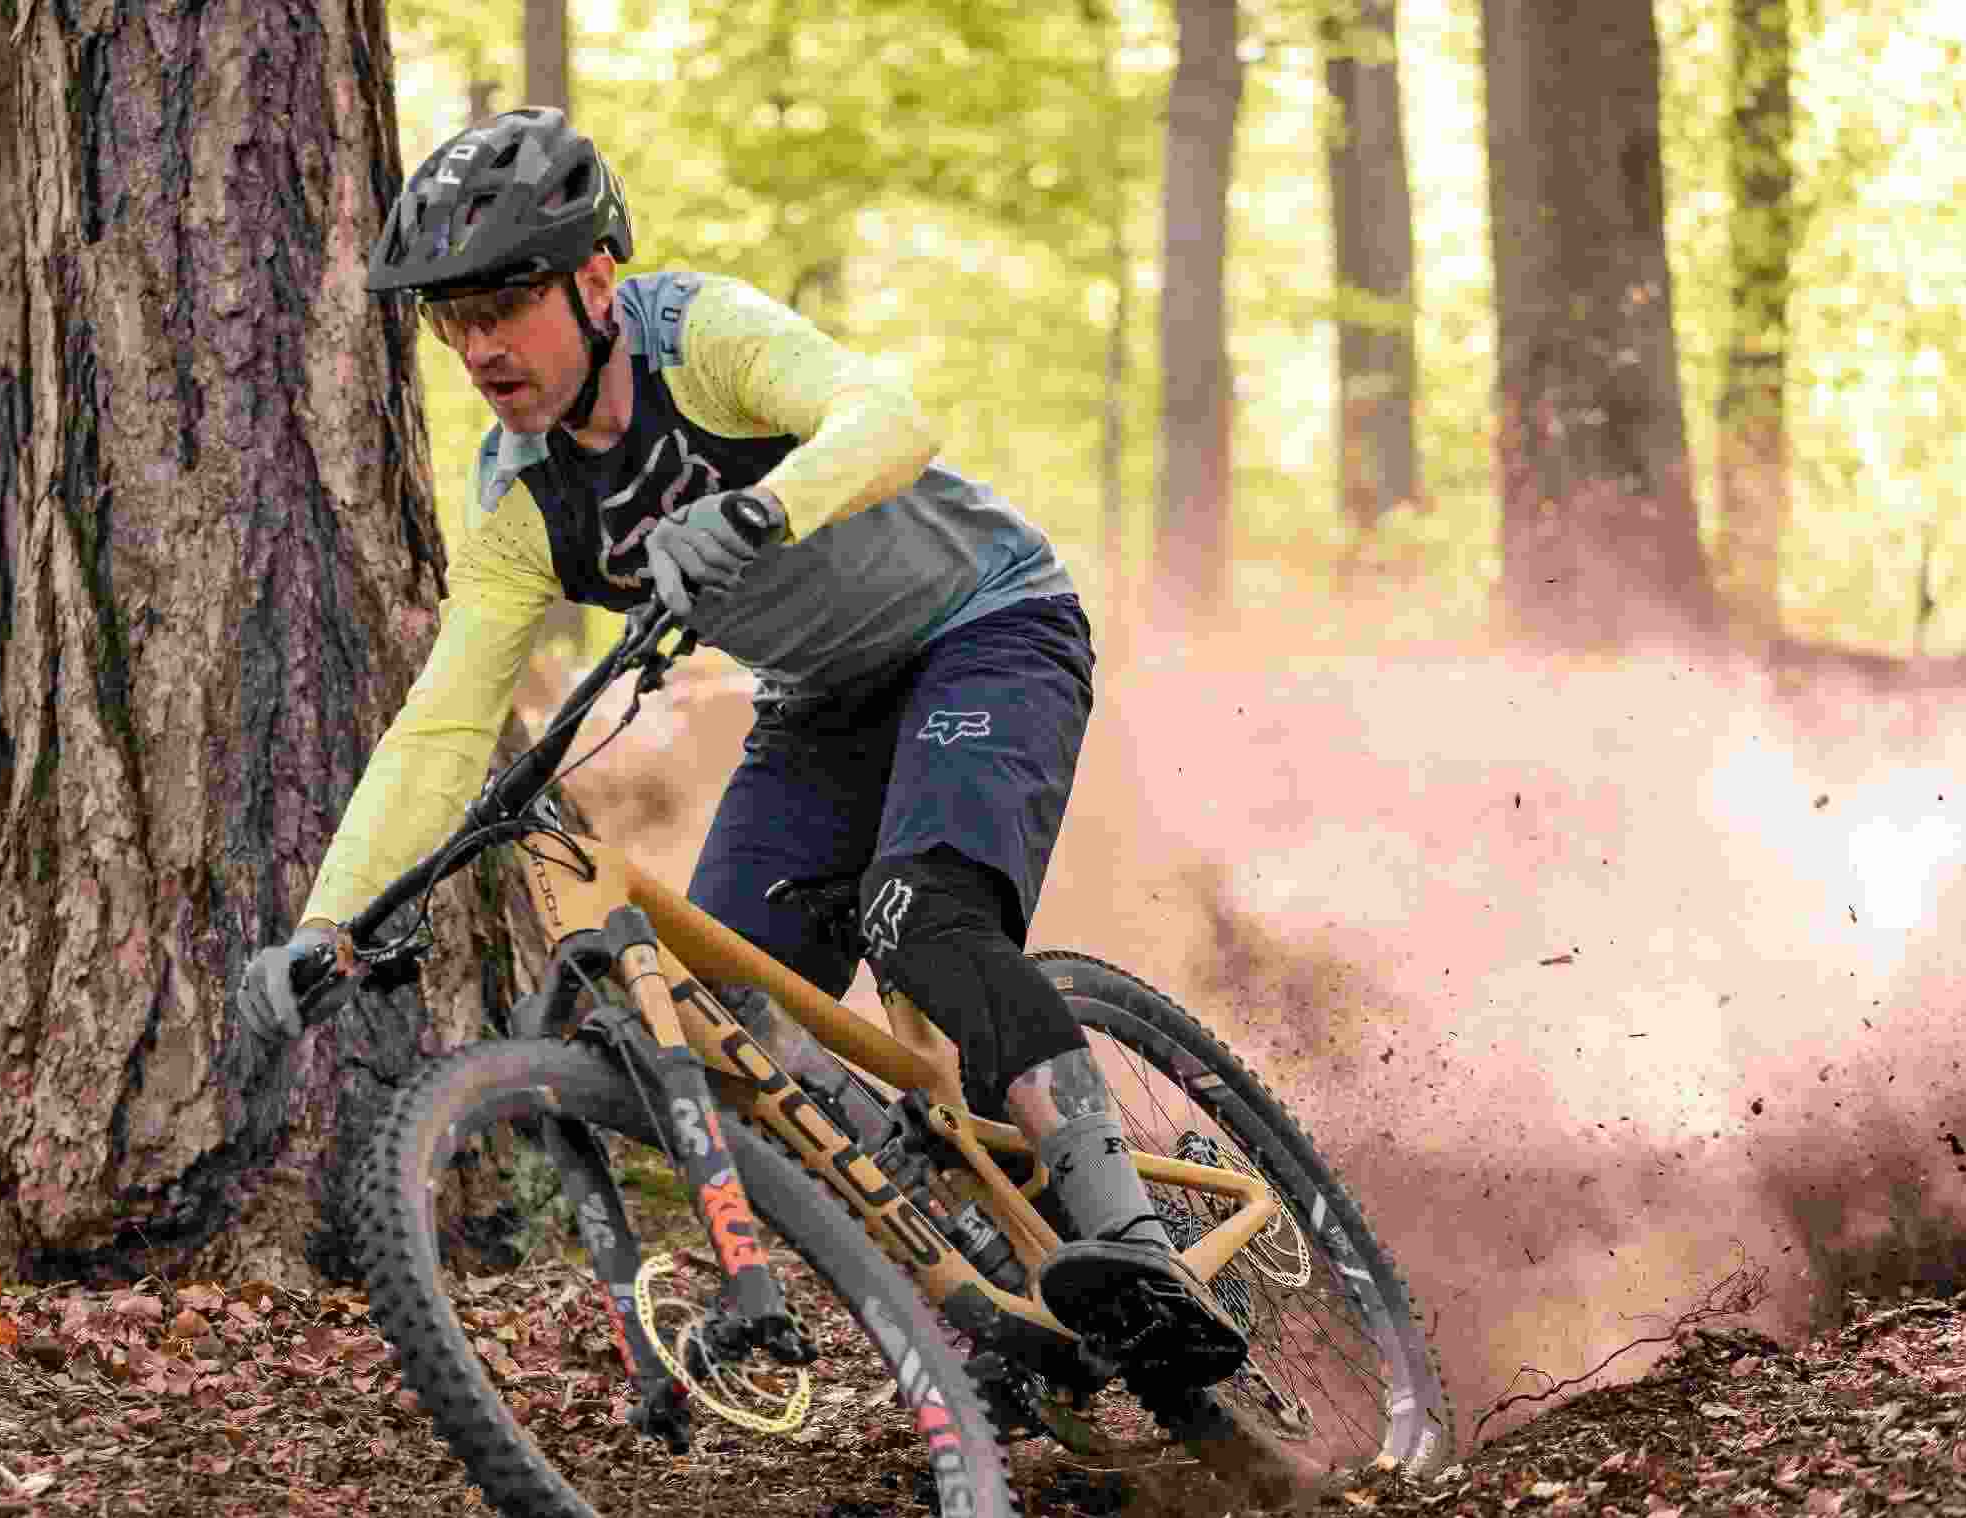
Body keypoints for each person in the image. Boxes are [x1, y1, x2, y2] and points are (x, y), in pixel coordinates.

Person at [236, 108, 1243, 1395]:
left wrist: (764, 504)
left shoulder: (695, 338)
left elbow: (887, 416)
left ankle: (1134, 1245)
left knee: (920, 915)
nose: (480, 344)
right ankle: (975, 1278)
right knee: (716, 1017)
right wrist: (332, 920)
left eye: (505, 301)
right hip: (819, 703)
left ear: (594, 277)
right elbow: (439, 723)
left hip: (983, 625)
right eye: (450, 317)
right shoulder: (521, 501)